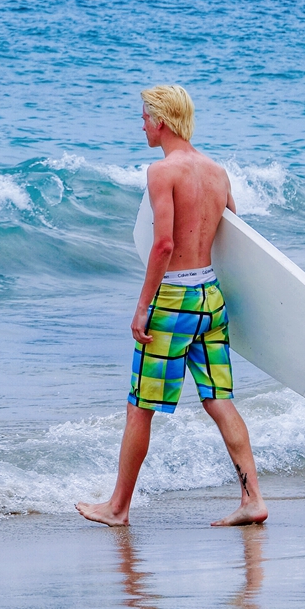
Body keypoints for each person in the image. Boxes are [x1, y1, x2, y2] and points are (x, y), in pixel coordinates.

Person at [76, 85, 268, 528]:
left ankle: (118, 508)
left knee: (140, 405)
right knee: (220, 399)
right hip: (210, 299)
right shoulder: (218, 172)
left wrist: (143, 306)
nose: (141, 124)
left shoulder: (163, 171)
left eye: (144, 117)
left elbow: (163, 244)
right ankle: (252, 498)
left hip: (174, 300)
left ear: (160, 121)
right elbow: (237, 238)